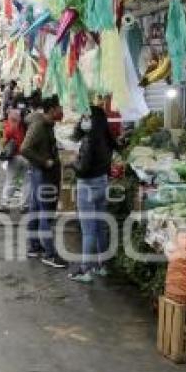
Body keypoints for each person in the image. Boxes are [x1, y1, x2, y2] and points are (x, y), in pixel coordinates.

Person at [68, 105, 115, 283]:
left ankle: (85, 269)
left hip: (87, 186)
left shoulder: (89, 141)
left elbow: (83, 169)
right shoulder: (106, 137)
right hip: (102, 183)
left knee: (88, 231)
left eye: (86, 117)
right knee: (101, 227)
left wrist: (73, 163)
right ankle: (102, 266)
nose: (84, 120)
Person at [21, 95, 66, 268]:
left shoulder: (45, 124)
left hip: (40, 174)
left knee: (36, 210)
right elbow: (25, 148)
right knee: (46, 214)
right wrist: (44, 161)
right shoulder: (39, 125)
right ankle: (50, 254)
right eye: (60, 107)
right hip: (43, 174)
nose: (62, 111)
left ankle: (34, 246)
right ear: (52, 109)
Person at [0, 108, 30, 214]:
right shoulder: (26, 126)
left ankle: (5, 204)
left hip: (15, 156)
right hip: (27, 156)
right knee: (27, 182)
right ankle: (25, 205)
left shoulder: (9, 125)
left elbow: (5, 138)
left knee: (11, 180)